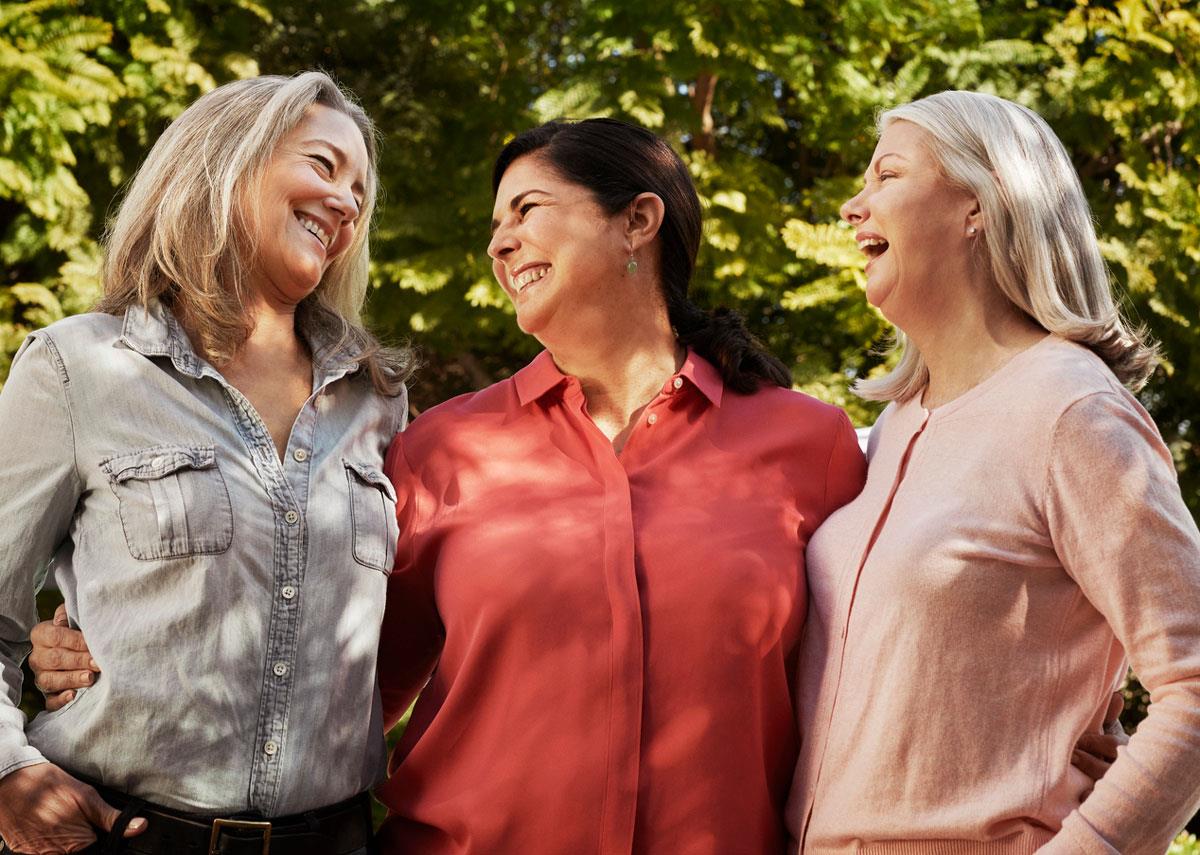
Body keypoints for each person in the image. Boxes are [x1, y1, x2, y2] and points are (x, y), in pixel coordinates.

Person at [368, 117, 867, 854]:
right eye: (494, 223)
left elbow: (886, 684)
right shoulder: (438, 450)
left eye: (527, 209)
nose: (497, 243)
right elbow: (345, 703)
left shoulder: (813, 446)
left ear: (638, 220)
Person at [0, 71, 412, 855]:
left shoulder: (377, 401)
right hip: (122, 834)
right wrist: (6, 772)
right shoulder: (74, 367)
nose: (348, 202)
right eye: (324, 167)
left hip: (335, 840)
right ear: (225, 162)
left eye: (360, 190)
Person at [787, 90, 1200, 853]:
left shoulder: (1072, 410)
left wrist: (1095, 845)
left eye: (887, 176)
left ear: (978, 204)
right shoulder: (890, 429)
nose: (854, 205)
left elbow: (1194, 683)